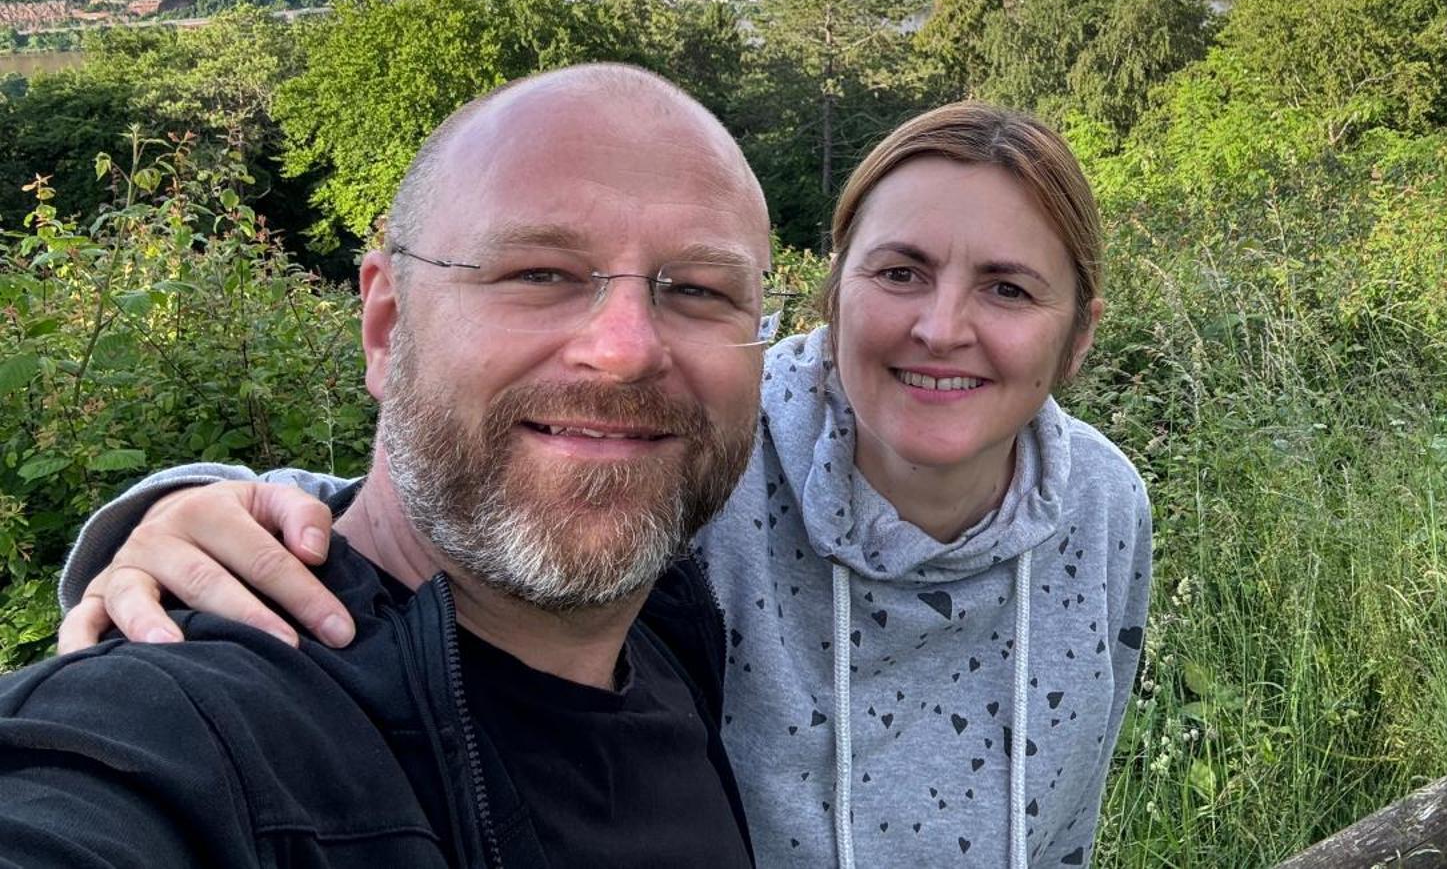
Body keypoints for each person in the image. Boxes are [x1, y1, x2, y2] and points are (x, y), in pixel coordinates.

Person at [59, 102, 1154, 869]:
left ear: (1075, 339)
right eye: (899, 271)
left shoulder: (1103, 507)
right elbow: (478, 492)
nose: (941, 325)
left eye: (1007, 288)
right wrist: (198, 509)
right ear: (831, 294)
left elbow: (1063, 822)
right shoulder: (718, 435)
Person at [1, 63, 770, 866]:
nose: (625, 351)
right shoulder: (183, 726)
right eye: (539, 275)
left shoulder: (674, 633)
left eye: (698, 290)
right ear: (386, 326)